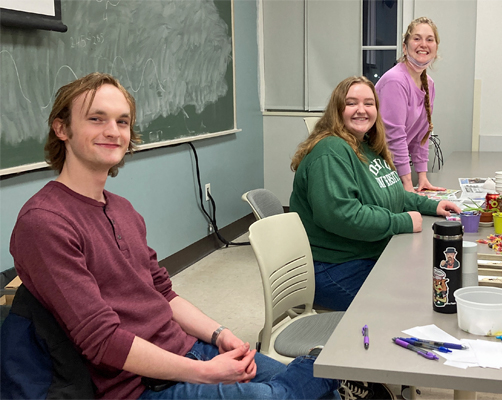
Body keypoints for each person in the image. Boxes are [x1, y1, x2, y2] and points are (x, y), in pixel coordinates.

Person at [9, 72, 340, 400]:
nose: (113, 131)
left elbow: (163, 294)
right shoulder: (45, 222)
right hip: (138, 386)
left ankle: (315, 371)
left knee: (316, 390)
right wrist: (205, 373)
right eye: (96, 119)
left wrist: (219, 333)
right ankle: (315, 365)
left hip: (188, 349)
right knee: (295, 386)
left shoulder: (122, 209)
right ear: (61, 128)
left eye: (122, 122)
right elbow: (102, 340)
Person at [289, 76, 460, 312]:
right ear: (337, 110)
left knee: (430, 285)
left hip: (365, 256)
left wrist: (432, 205)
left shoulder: (366, 146)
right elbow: (342, 215)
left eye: (369, 103)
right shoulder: (331, 151)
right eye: (351, 103)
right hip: (333, 268)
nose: (362, 110)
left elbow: (390, 193)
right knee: (409, 308)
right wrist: (401, 221)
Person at [375, 16, 443, 193]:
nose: (423, 44)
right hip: (376, 169)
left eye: (430, 39)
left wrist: (422, 177)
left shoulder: (429, 83)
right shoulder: (395, 81)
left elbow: (422, 136)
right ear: (405, 47)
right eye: (416, 38)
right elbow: (394, 137)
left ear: (435, 49)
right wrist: (407, 184)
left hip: (393, 169)